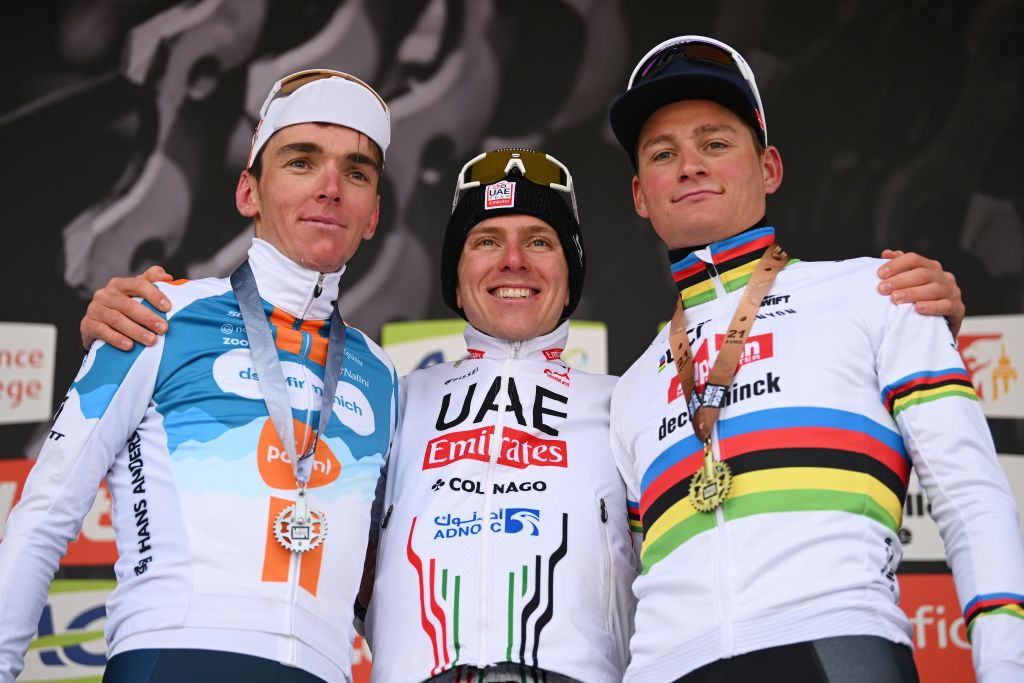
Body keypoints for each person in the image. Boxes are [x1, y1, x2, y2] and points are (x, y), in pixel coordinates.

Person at [606, 35, 1024, 682]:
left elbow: (970, 494)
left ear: (769, 168)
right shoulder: (631, 385)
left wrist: (1006, 664)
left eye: (715, 143)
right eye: (664, 153)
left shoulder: (880, 292)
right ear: (640, 194)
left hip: (835, 645)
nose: (689, 165)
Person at [0, 69, 399, 683]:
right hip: (171, 656)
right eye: (301, 162)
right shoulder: (156, 314)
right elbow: (48, 508)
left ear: (373, 214)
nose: (330, 188)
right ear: (249, 193)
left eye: (356, 172)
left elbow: (386, 584)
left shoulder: (382, 374)